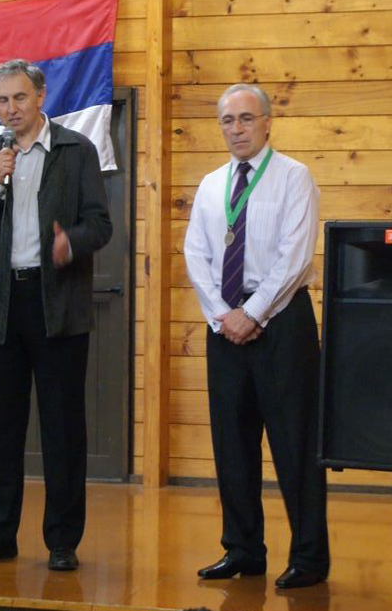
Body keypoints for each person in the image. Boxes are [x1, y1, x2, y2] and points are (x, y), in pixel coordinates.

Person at [0, 59, 112, 571]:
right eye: (1, 101)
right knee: (3, 430)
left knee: (62, 430)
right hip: (3, 309)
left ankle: (62, 541)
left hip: (57, 306)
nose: (11, 109)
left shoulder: (75, 150)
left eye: (19, 98)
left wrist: (72, 242)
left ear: (40, 96)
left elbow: (100, 224)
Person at [184, 83, 329, 589]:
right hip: (225, 325)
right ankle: (243, 549)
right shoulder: (211, 185)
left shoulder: (294, 177)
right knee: (232, 441)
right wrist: (222, 314)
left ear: (267, 122)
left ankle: (309, 557)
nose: (237, 129)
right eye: (228, 120)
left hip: (282, 322)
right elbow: (196, 255)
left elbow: (296, 257)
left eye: (246, 118)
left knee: (295, 444)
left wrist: (253, 313)